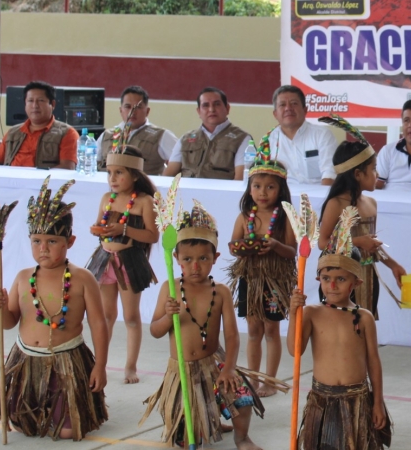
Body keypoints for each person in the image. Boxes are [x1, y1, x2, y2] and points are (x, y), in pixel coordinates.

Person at [0, 177, 109, 440]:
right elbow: (8, 323)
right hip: (27, 363)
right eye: (36, 241)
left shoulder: (82, 278)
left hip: (66, 361)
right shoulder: (23, 277)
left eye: (52, 241)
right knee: (24, 427)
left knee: (68, 432)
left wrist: (100, 366)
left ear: (70, 241)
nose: (43, 248)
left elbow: (99, 323)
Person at [141, 202, 265, 449]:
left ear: (215, 258)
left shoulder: (220, 292)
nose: (195, 266)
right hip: (182, 371)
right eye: (188, 259)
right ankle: (204, 424)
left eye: (203, 259)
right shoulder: (170, 288)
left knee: (242, 397)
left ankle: (242, 437)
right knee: (187, 440)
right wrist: (168, 316)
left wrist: (229, 369)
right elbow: (155, 331)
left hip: (214, 362)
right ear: (176, 258)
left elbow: (231, 335)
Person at [288, 205, 393, 449]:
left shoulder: (364, 317)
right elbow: (295, 351)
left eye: (341, 279)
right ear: (318, 280)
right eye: (326, 278)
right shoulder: (312, 313)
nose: (332, 285)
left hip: (356, 398)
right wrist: (295, 314)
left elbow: (373, 362)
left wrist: (377, 401)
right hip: (322, 399)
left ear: (355, 282)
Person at [226, 136, 297, 396]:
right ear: (249, 188)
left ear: (280, 190)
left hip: (274, 281)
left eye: (269, 187)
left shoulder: (285, 218)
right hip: (250, 278)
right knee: (253, 329)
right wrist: (241, 248)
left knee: (271, 329)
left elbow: (292, 252)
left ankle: (269, 380)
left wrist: (275, 247)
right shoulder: (245, 217)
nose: (263, 192)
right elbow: (233, 244)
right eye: (257, 186)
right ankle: (252, 379)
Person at [318, 115, 407, 320]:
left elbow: (371, 245)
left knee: (363, 325)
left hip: (366, 276)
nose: (377, 174)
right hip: (338, 277)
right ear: (358, 174)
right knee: (339, 325)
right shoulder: (336, 204)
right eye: (373, 169)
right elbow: (323, 243)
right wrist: (357, 241)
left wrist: (393, 265)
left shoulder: (371, 204)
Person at [84, 145, 159, 385]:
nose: (112, 179)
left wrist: (124, 229)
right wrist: (98, 229)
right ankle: (100, 363)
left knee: (130, 316)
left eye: (119, 173)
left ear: (135, 175)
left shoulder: (145, 201)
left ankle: (130, 366)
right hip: (105, 260)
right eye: (109, 173)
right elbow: (100, 224)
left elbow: (152, 236)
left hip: (129, 261)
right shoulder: (108, 198)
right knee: (106, 314)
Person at [163, 87, 252, 181]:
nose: (211, 109)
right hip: (185, 192)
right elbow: (169, 175)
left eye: (217, 104)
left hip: (221, 193)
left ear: (227, 108)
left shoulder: (242, 139)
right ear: (199, 112)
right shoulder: (185, 139)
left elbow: (240, 179)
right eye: (205, 105)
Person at [0, 81, 80, 170]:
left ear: (52, 104)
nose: (35, 106)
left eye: (41, 100)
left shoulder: (67, 133)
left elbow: (67, 168)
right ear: (25, 104)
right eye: (30, 101)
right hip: (11, 182)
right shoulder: (13, 132)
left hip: (44, 183)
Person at [98, 86, 179, 176]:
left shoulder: (161, 136)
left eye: (138, 107)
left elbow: (181, 165)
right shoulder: (106, 135)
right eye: (127, 107)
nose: (132, 112)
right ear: (121, 110)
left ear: (147, 111)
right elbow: (92, 166)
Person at [267, 85, 338, 186]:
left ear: (305, 110)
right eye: (282, 105)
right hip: (283, 198)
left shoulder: (322, 135)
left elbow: (330, 174)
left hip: (317, 197)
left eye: (294, 103)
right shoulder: (269, 140)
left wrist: (320, 200)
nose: (288, 108)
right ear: (275, 114)